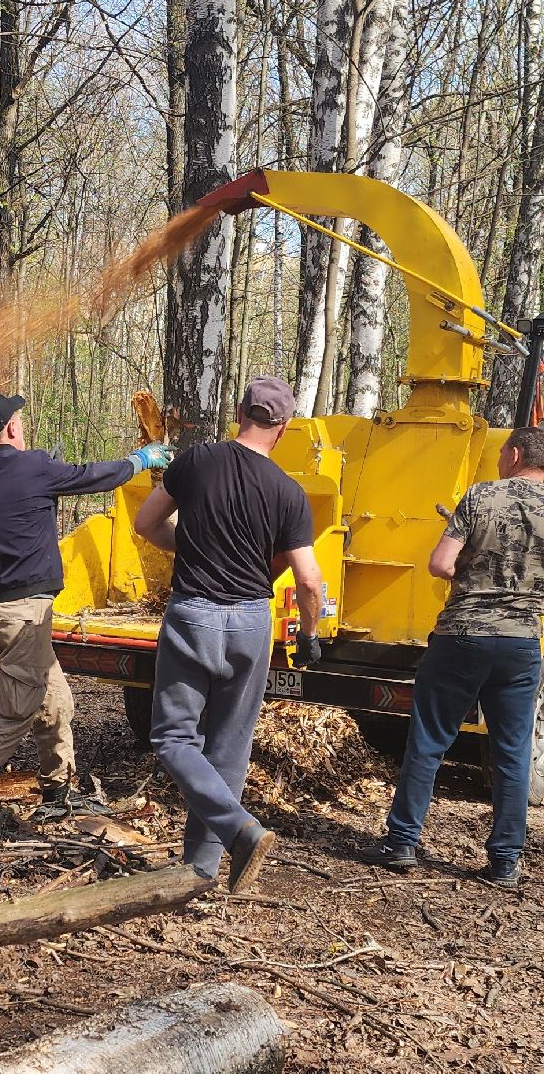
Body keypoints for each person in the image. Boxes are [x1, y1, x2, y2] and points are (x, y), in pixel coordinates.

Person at [0, 394, 173, 847]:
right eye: (18, 418)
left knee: (56, 702)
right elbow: (94, 477)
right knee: (16, 710)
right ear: (12, 428)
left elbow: (18, 500)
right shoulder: (32, 468)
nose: (22, 423)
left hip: (4, 611)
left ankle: (60, 790)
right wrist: (141, 459)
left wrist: (42, 475)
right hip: (21, 613)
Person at [358, 427, 544, 889]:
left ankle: (402, 843)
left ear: (512, 454)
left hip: (462, 636)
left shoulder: (479, 499)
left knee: (430, 740)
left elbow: (438, 564)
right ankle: (505, 861)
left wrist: (467, 573)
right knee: (512, 751)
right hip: (521, 645)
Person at [133, 377, 324, 892]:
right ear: (283, 429)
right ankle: (204, 868)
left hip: (194, 614)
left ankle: (239, 830)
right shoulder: (289, 492)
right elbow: (309, 579)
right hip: (250, 623)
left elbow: (146, 524)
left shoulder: (195, 462)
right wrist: (309, 635)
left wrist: (190, 549)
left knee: (173, 739)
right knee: (229, 750)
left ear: (239, 412)